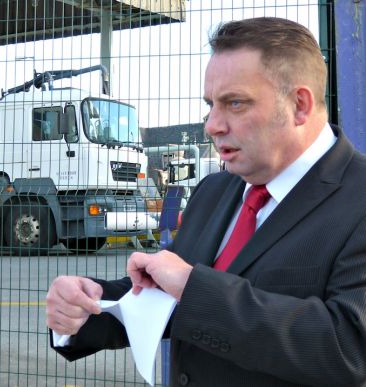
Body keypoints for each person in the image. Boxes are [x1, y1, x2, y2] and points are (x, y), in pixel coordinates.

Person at [46, 17, 366, 386]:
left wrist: (191, 285)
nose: (212, 125)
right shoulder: (215, 191)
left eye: (235, 104)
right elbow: (172, 301)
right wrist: (86, 308)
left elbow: (349, 347)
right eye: (211, 105)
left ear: (299, 104)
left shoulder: (356, 200)